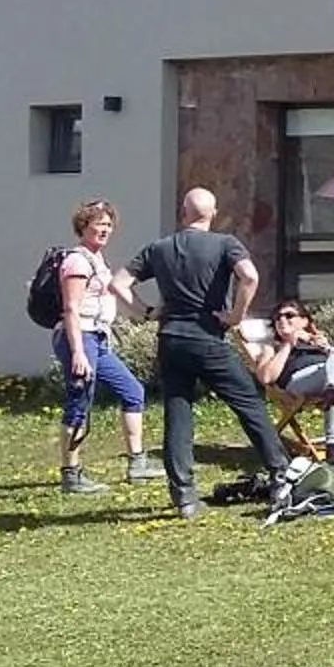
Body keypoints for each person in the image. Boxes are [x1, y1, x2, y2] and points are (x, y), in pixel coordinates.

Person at [119, 188, 293, 518]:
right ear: (213, 213)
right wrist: (236, 316)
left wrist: (146, 312)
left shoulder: (159, 248)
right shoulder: (225, 244)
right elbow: (250, 276)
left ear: (183, 213)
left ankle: (184, 497)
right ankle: (281, 474)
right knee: (249, 403)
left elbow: (118, 283)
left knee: (178, 412)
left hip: (171, 339)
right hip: (208, 338)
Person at [51, 199, 163, 496]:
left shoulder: (97, 260)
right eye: (98, 224)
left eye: (109, 225)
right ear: (83, 227)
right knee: (79, 403)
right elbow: (71, 309)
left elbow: (114, 293)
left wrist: (148, 313)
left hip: (98, 340)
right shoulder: (76, 261)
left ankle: (137, 462)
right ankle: (71, 474)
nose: (105, 230)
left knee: (132, 391)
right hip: (81, 338)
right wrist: (77, 352)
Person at [243, 297, 334, 463]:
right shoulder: (271, 348)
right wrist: (288, 345)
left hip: (333, 378)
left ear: (304, 321)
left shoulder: (315, 341)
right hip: (301, 382)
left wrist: (327, 348)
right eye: (277, 318)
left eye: (289, 315)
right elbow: (265, 377)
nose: (282, 320)